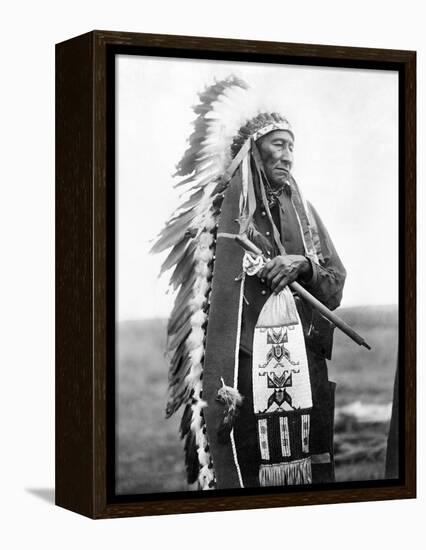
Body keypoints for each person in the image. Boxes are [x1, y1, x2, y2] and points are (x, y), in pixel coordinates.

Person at [152, 76, 346, 490]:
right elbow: (202, 307)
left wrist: (305, 267)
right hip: (241, 374)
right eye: (278, 144)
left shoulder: (305, 216)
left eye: (292, 146)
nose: (288, 156)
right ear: (251, 149)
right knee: (247, 481)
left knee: (310, 476)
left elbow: (335, 282)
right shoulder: (218, 218)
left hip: (304, 368)